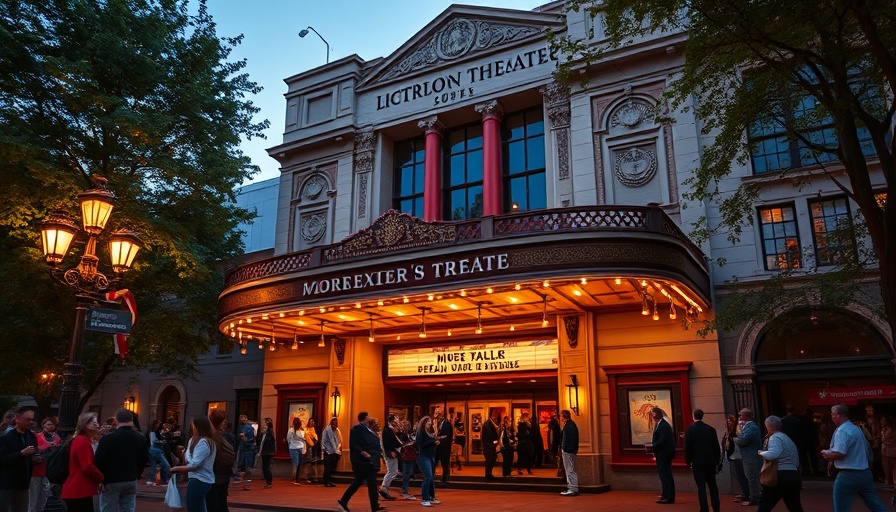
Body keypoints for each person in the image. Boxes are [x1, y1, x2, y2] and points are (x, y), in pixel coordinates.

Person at [821, 403, 888, 512]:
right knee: (874, 503)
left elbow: (839, 453)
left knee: (841, 507)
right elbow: (868, 449)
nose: (832, 416)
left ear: (839, 415)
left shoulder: (842, 431)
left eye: (833, 414)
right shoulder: (855, 429)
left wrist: (827, 454)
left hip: (848, 473)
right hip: (864, 473)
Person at [94, 409, 149, 512]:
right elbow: (144, 459)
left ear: (117, 420)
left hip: (111, 479)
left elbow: (99, 459)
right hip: (131, 478)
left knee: (109, 508)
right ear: (132, 420)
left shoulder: (108, 439)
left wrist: (100, 478)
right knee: (128, 508)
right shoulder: (141, 438)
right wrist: (137, 474)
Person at [336, 413, 383, 512]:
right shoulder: (358, 429)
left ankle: (344, 500)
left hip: (369, 461)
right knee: (370, 483)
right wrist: (363, 452)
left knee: (360, 481)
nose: (370, 418)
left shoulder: (367, 429)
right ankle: (374, 507)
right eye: (369, 416)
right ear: (365, 418)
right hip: (364, 461)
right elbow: (355, 443)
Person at [757, 415, 803, 512]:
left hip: (780, 476)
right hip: (793, 475)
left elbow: (773, 455)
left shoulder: (775, 438)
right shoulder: (786, 438)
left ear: (767, 426)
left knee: (765, 505)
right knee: (794, 506)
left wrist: (761, 452)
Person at [171, 415, 217, 512]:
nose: (192, 428)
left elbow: (194, 465)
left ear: (199, 427)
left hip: (201, 480)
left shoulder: (204, 442)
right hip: (198, 479)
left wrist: (175, 469)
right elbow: (189, 460)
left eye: (193, 426)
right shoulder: (194, 440)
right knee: (199, 507)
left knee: (194, 507)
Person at [60, 412, 104, 512]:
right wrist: (101, 477)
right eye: (94, 423)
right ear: (85, 425)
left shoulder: (80, 440)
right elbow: (87, 466)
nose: (97, 425)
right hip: (79, 489)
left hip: (78, 489)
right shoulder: (82, 441)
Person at [0, 407, 39, 512]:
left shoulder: (31, 436)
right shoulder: (6, 437)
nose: (30, 422)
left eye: (32, 419)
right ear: (17, 418)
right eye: (27, 419)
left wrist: (35, 458)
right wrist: (21, 454)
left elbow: (32, 453)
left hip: (24, 484)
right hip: (6, 485)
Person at [685, 409, 721, 512]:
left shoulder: (690, 430)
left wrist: (688, 461)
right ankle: (716, 506)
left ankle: (704, 508)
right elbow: (716, 447)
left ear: (693, 416)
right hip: (710, 461)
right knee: (712, 485)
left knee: (701, 487)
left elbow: (688, 448)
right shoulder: (711, 429)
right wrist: (717, 461)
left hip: (697, 462)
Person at [30, 416, 60, 512]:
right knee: (33, 496)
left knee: (45, 494)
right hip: (37, 470)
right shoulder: (36, 436)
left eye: (52, 425)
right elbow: (33, 450)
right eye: (48, 424)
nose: (50, 427)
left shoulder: (57, 438)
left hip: (49, 471)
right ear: (43, 426)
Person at [734, 408, 762, 506]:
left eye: (741, 415)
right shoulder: (747, 426)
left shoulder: (751, 427)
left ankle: (756, 498)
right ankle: (754, 496)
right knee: (751, 477)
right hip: (748, 457)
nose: (740, 417)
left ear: (745, 416)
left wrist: (736, 439)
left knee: (752, 478)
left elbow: (743, 440)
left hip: (751, 457)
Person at [649, 407, 676, 504]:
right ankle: (665, 494)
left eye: (653, 415)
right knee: (663, 475)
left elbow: (663, 439)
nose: (652, 417)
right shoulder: (659, 424)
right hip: (661, 453)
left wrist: (653, 445)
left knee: (666, 475)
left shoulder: (664, 425)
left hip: (664, 454)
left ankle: (670, 497)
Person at [723, 413, 750, 502]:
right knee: (738, 476)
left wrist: (729, 440)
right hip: (733, 455)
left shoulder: (736, 432)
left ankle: (747, 494)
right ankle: (744, 492)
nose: (728, 424)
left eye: (730, 422)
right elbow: (724, 442)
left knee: (742, 475)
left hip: (738, 456)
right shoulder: (728, 432)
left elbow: (738, 442)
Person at [415, 416, 439, 507]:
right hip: (424, 457)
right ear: (424, 422)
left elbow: (430, 444)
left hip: (431, 456)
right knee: (428, 476)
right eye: (428, 421)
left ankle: (431, 497)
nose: (430, 423)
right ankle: (424, 498)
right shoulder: (420, 432)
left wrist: (435, 443)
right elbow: (420, 445)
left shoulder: (428, 432)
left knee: (431, 477)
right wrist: (433, 441)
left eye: (430, 421)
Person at [378, 414, 401, 500]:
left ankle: (384, 489)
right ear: (391, 420)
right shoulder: (387, 430)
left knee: (393, 471)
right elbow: (387, 443)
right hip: (390, 453)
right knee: (392, 471)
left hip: (392, 452)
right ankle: (384, 487)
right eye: (396, 419)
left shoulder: (392, 429)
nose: (397, 421)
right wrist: (390, 451)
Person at [559, 409, 579, 496]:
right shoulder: (570, 425)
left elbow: (570, 439)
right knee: (570, 469)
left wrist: (566, 449)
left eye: (560, 416)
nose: (560, 417)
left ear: (564, 416)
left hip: (568, 450)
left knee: (569, 469)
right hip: (568, 450)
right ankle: (572, 487)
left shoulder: (570, 425)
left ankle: (572, 488)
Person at [146, 420, 170, 486]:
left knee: (153, 466)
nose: (158, 425)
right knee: (165, 465)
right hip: (156, 449)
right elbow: (153, 441)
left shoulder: (154, 431)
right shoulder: (153, 432)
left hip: (153, 449)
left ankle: (151, 480)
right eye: (158, 424)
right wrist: (161, 441)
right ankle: (165, 479)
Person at [397, 419, 417, 500]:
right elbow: (402, 444)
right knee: (406, 473)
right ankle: (405, 489)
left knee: (409, 472)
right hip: (405, 455)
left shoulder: (410, 434)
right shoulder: (401, 435)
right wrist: (410, 443)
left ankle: (405, 487)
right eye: (405, 425)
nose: (406, 427)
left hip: (411, 455)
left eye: (408, 425)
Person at [321, 417, 342, 488]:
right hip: (328, 451)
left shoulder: (336, 431)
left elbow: (338, 439)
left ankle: (329, 480)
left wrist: (338, 448)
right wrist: (323, 450)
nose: (335, 424)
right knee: (327, 468)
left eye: (336, 423)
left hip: (334, 451)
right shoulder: (326, 430)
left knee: (332, 468)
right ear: (331, 423)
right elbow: (323, 440)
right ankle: (326, 481)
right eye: (334, 423)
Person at [255, 418, 275, 488]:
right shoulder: (263, 433)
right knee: (264, 467)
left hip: (268, 452)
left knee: (266, 467)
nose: (263, 425)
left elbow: (268, 442)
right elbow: (260, 443)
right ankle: (267, 482)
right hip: (264, 452)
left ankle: (269, 482)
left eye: (264, 423)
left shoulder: (269, 432)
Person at [481, 410, 500, 481]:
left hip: (490, 446)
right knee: (489, 461)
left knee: (491, 460)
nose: (495, 416)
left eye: (496, 414)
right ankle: (487, 475)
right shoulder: (487, 424)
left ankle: (489, 474)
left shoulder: (491, 424)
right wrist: (495, 441)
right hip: (488, 446)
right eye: (494, 414)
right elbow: (489, 435)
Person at [435, 413, 453, 485]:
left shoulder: (447, 424)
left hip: (445, 447)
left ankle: (444, 480)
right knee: (435, 462)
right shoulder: (439, 423)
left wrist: (439, 439)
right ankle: (434, 478)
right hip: (439, 447)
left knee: (445, 464)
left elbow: (447, 436)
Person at [236, 415, 256, 482]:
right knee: (241, 463)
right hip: (243, 447)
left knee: (247, 465)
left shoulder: (249, 428)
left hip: (248, 448)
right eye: (241, 420)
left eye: (244, 419)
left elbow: (250, 439)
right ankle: (243, 479)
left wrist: (244, 437)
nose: (243, 421)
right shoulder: (241, 427)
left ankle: (247, 480)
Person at [286, 417, 306, 485]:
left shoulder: (301, 431)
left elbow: (288, 439)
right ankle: (295, 479)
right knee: (296, 464)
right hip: (294, 448)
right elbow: (288, 439)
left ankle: (297, 478)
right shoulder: (291, 430)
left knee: (298, 464)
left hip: (298, 447)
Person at [879, 416, 896, 490]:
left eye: (883, 421)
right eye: (881, 420)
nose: (882, 422)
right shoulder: (883, 429)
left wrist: (885, 442)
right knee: (886, 466)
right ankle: (888, 481)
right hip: (884, 450)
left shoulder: (893, 430)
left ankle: (894, 482)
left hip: (892, 450)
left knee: (894, 467)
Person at [303, 418, 319, 483]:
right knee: (308, 463)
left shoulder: (314, 429)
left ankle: (314, 477)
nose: (312, 423)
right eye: (311, 421)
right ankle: (306, 477)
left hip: (314, 448)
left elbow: (316, 438)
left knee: (314, 463)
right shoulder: (305, 430)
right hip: (308, 447)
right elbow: (306, 438)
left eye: (313, 421)